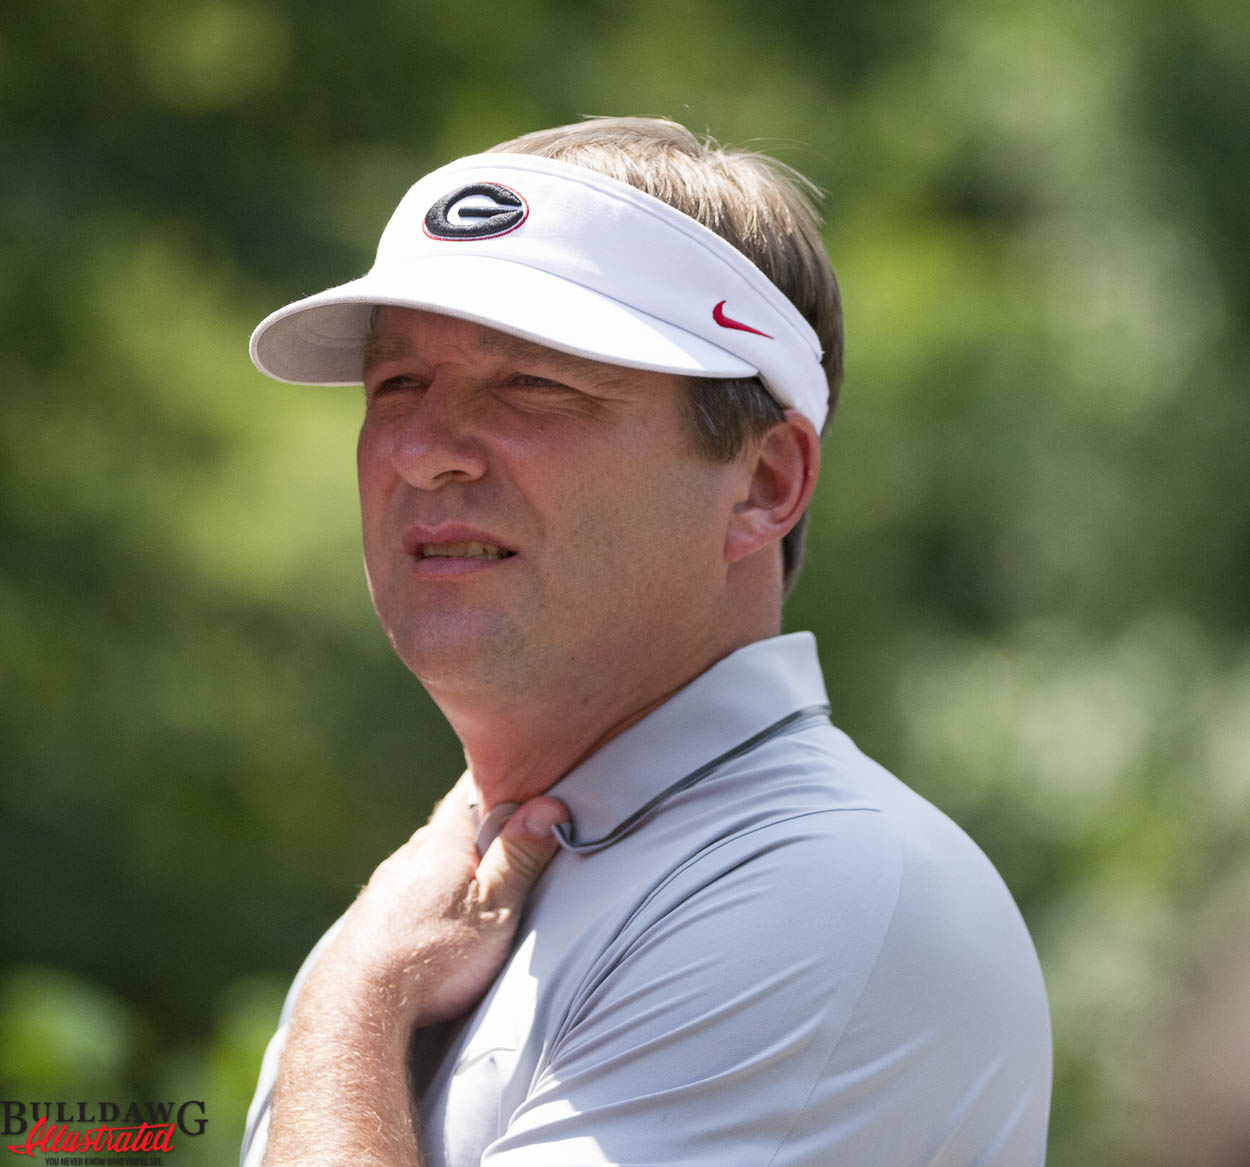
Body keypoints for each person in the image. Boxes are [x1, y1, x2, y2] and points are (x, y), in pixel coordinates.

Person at [240, 116, 1052, 1167]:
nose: (421, 451)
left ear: (763, 483)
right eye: (397, 384)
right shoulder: (428, 903)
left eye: (532, 383)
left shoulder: (821, 894)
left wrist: (352, 1007)